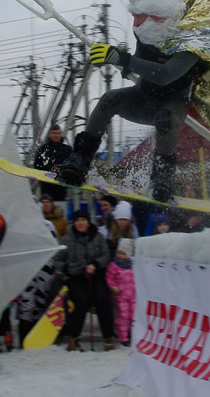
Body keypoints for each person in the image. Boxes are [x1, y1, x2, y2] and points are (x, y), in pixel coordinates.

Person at [57, 0, 210, 202]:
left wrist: (123, 59)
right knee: (108, 100)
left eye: (139, 17)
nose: (135, 23)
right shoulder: (145, 32)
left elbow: (165, 75)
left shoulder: (193, 42)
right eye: (134, 16)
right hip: (142, 96)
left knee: (164, 120)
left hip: (173, 103)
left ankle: (162, 179)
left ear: (157, 18)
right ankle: (80, 160)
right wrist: (125, 64)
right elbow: (141, 59)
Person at [55, 209, 115, 352]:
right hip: (75, 276)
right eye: (77, 220)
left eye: (83, 220)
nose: (80, 223)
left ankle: (108, 335)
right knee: (81, 301)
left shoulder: (98, 237)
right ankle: (73, 336)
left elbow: (106, 254)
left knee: (102, 298)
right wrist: (68, 268)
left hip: (95, 274)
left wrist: (95, 264)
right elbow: (57, 260)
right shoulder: (66, 239)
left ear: (88, 222)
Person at [106, 238, 136, 347]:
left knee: (133, 315)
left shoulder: (133, 265)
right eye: (119, 253)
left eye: (123, 253)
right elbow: (109, 277)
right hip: (121, 295)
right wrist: (113, 287)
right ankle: (123, 336)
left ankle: (133, 334)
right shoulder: (114, 265)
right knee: (123, 314)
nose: (121, 256)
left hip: (133, 295)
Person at [33, 124, 72, 202]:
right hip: (46, 185)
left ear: (61, 134)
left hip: (61, 185)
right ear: (50, 134)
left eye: (58, 133)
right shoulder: (43, 149)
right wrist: (51, 168)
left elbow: (72, 164)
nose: (56, 135)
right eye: (54, 133)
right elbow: (37, 166)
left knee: (59, 208)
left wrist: (63, 169)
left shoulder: (67, 149)